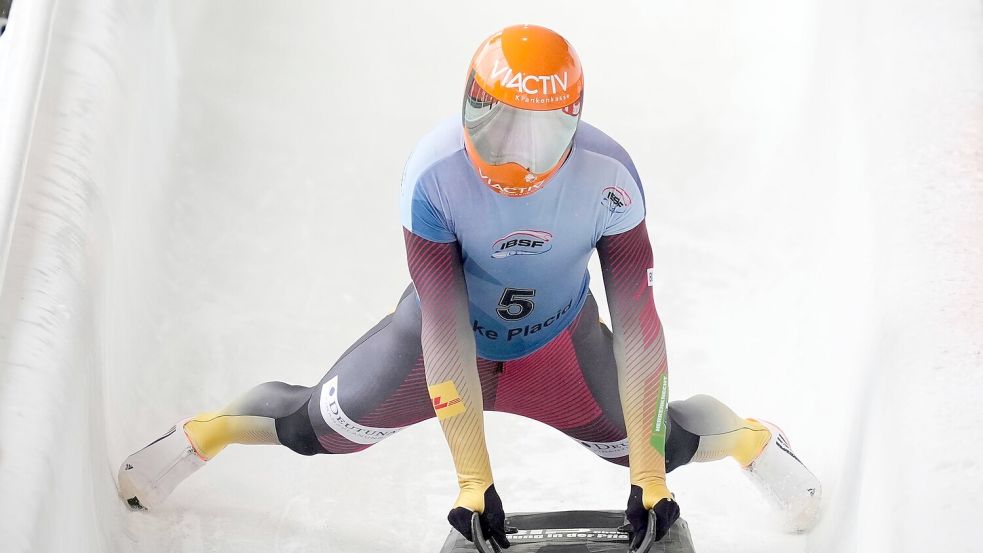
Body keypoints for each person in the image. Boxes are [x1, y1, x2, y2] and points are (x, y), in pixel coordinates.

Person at [117, 24, 822, 548]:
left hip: (559, 349)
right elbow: (443, 326)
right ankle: (202, 434)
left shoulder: (608, 177)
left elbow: (637, 320)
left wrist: (648, 470)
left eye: (536, 135)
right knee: (313, 429)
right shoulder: (433, 177)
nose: (510, 154)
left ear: (572, 127)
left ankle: (753, 439)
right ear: (469, 104)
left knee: (663, 448)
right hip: (440, 348)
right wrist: (470, 478)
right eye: (494, 123)